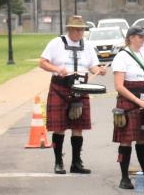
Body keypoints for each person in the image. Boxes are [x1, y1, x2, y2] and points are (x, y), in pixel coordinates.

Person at [39, 15, 107, 174]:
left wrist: (100, 70)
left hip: (80, 89)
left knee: (78, 127)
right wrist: (57, 69)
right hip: (60, 87)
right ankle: (58, 162)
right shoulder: (56, 43)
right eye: (76, 29)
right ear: (69, 29)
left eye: (82, 30)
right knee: (59, 128)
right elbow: (42, 62)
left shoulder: (88, 46)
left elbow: (93, 66)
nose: (80, 32)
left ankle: (76, 163)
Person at [111, 26, 144, 190]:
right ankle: (124, 178)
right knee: (126, 140)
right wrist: (137, 101)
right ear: (131, 38)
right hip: (128, 102)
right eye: (140, 37)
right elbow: (119, 86)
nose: (143, 39)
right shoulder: (121, 57)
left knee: (142, 140)